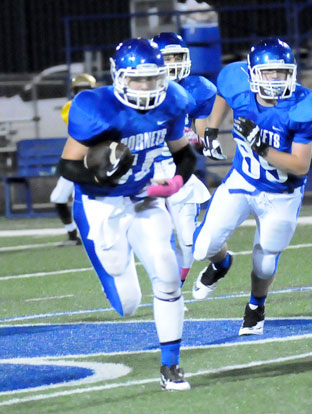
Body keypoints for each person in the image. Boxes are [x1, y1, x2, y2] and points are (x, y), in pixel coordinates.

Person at [58, 38, 195, 391]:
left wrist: (176, 181)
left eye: (152, 79)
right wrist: (100, 175)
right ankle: (111, 270)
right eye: (138, 80)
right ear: (119, 77)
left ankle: (171, 366)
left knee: (166, 274)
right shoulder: (93, 106)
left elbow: (185, 154)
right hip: (102, 205)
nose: (146, 87)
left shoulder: (174, 100)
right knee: (128, 304)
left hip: (145, 198)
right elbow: (68, 166)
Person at [192, 38, 312, 335]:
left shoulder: (305, 106)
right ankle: (220, 264)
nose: (276, 79)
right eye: (268, 73)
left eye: (281, 72)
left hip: (282, 194)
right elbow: (224, 94)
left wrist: (262, 147)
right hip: (243, 180)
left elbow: (300, 165)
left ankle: (256, 306)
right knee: (203, 246)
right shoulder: (237, 83)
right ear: (253, 73)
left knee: (265, 262)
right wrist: (212, 129)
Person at [152, 32, 216, 286]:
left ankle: (220, 262)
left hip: (180, 168)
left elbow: (199, 140)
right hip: (150, 169)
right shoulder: (142, 88)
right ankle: (171, 292)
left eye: (179, 56)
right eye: (169, 58)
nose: (175, 62)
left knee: (188, 240)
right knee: (158, 236)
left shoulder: (200, 89)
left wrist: (199, 141)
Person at [50, 73, 97, 246]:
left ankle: (92, 235)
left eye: (86, 90)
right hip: (76, 160)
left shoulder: (101, 107)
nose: (82, 93)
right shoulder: (71, 107)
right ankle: (72, 234)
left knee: (87, 200)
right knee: (58, 197)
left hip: (96, 160)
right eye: (79, 90)